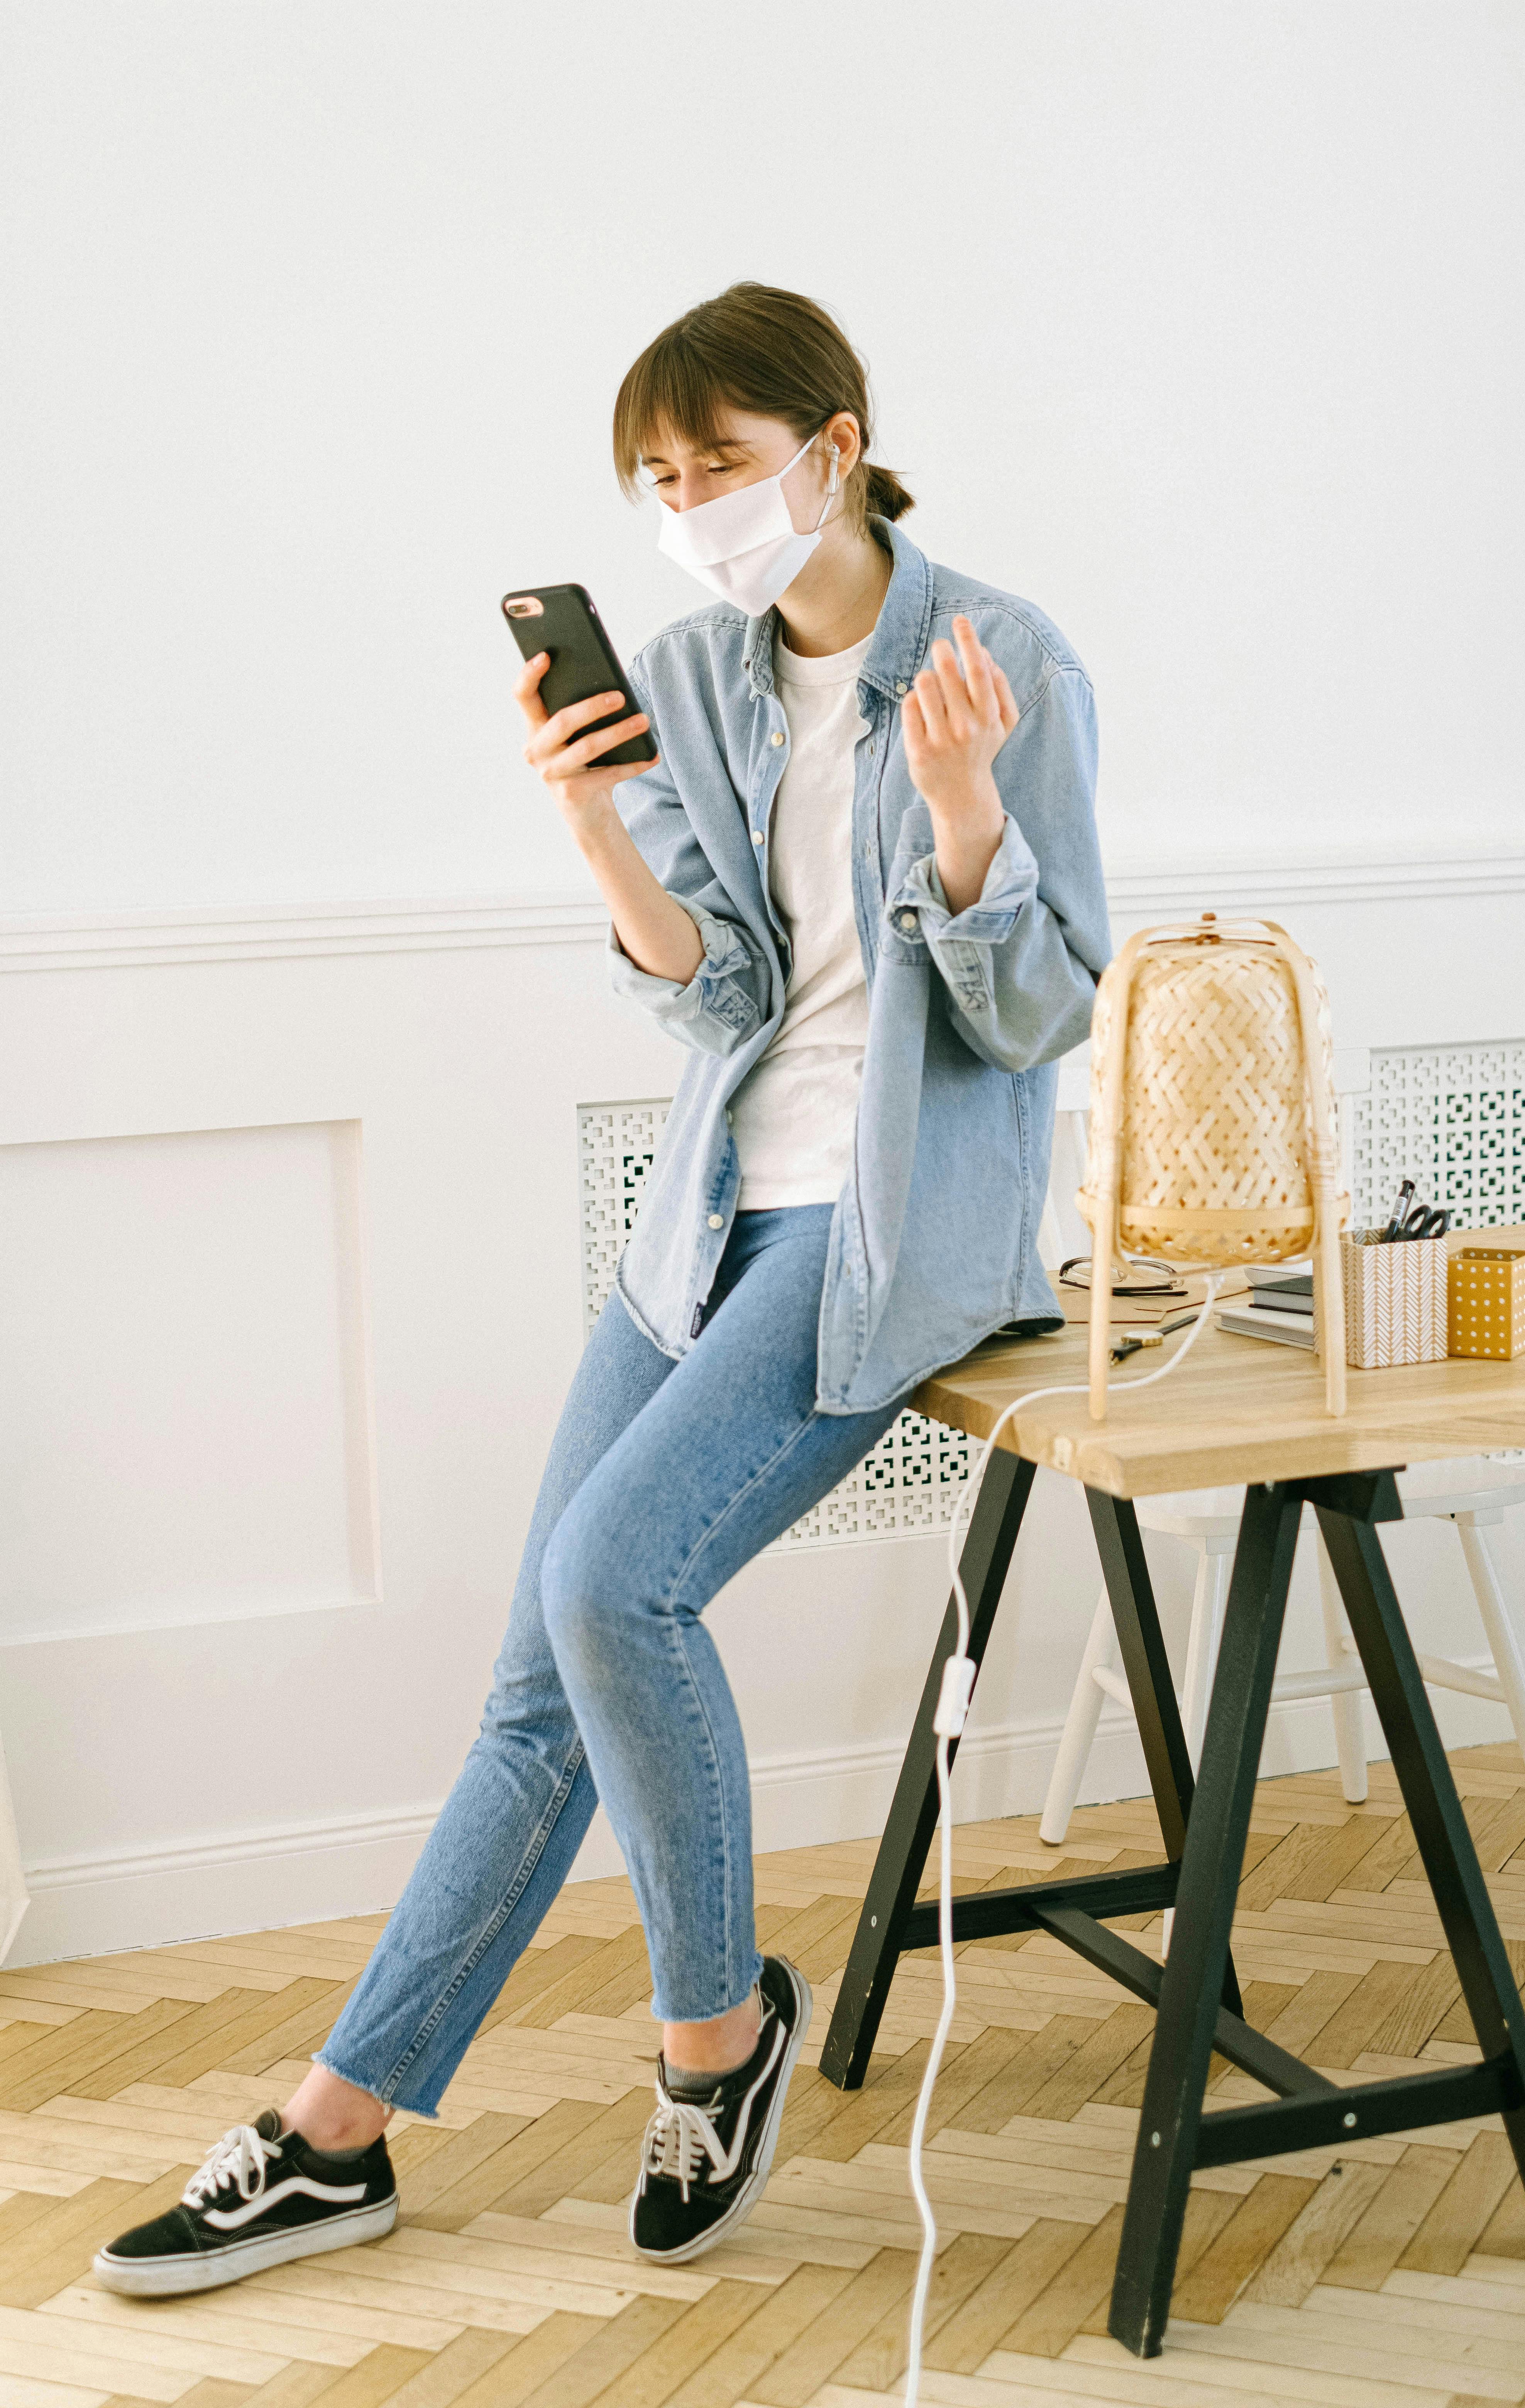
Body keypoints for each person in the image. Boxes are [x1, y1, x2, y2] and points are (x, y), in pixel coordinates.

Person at [94, 281, 1111, 2296]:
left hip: (889, 1231)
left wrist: (975, 814)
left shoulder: (1005, 662)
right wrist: (587, 826)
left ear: (833, 446)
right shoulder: (691, 674)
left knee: (604, 1582)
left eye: (718, 466)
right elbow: (715, 996)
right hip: (715, 1211)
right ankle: (342, 2130)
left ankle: (713, 2041)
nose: (689, 505)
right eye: (658, 478)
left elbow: (1047, 1008)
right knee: (539, 1672)